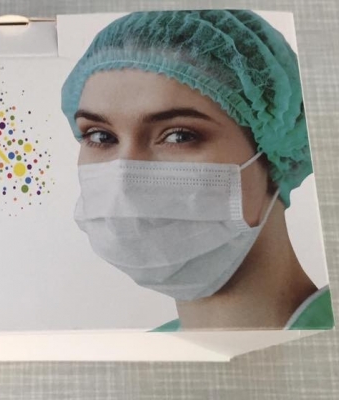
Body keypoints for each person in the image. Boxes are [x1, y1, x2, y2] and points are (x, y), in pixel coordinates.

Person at [61, 10, 333, 330]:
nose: (124, 177)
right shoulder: (144, 355)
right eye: (100, 136)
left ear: (277, 153)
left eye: (179, 136)